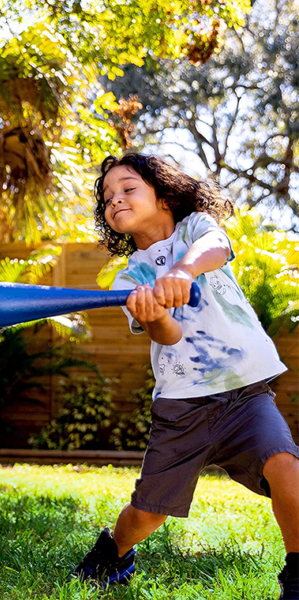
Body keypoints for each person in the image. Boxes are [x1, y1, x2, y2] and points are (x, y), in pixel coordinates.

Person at [71, 153, 299, 599]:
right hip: (183, 406)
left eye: (128, 188)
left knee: (287, 470)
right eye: (107, 197)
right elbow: (168, 335)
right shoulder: (128, 279)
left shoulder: (195, 229)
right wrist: (154, 314)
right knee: (147, 513)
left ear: (165, 196)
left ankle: (297, 575)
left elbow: (216, 247)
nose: (115, 199)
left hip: (245, 394)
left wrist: (182, 269)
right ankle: (114, 551)